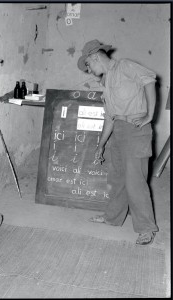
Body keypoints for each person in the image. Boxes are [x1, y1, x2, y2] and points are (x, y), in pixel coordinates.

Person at [77, 39, 159, 246]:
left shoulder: (125, 66)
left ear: (94, 57)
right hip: (119, 132)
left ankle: (146, 228)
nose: (88, 69)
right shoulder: (107, 81)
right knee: (117, 179)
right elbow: (109, 118)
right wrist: (101, 144)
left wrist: (150, 114)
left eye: (87, 64)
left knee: (135, 182)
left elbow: (149, 80)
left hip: (136, 130)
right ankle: (113, 218)